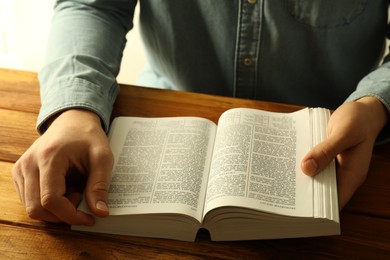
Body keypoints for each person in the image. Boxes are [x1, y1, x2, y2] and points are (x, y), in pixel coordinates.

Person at [12, 0, 390, 226]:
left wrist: (376, 104)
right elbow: (93, 5)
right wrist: (74, 110)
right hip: (158, 116)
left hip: (340, 134)